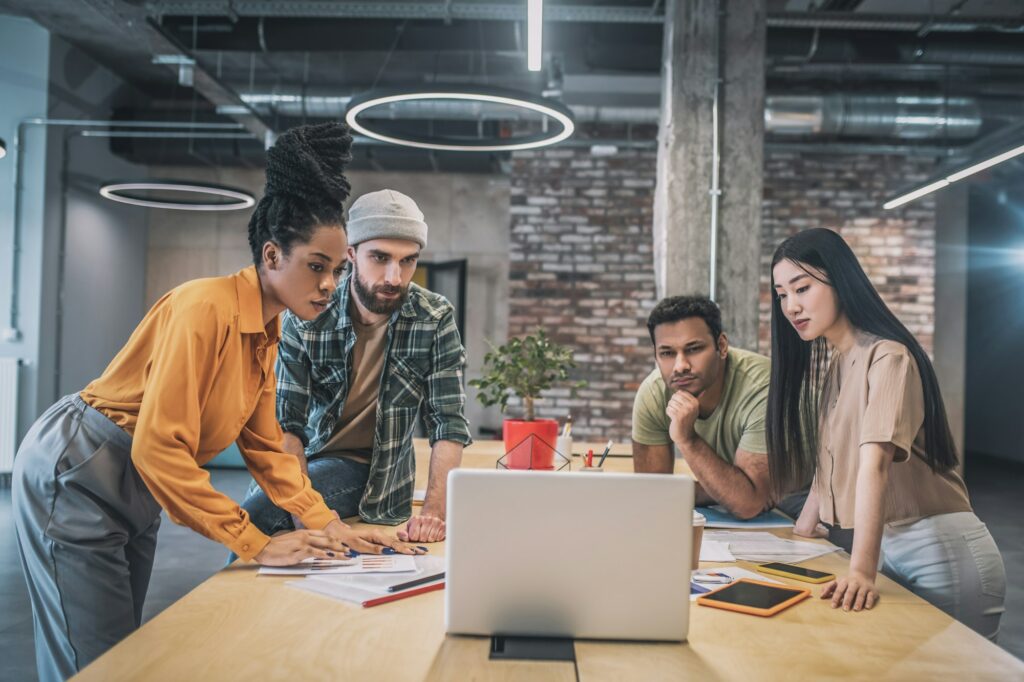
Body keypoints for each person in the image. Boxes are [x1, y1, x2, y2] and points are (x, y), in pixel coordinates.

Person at [12, 123, 418, 682]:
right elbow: (159, 448)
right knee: (93, 663)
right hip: (85, 465)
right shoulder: (205, 307)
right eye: (316, 267)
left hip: (138, 483)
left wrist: (328, 524)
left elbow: (266, 447)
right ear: (272, 255)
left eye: (337, 270)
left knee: (123, 652)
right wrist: (257, 543)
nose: (329, 285)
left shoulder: (267, 330)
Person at [767, 227, 1006, 639]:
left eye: (802, 288)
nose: (791, 306)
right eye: (782, 294)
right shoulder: (839, 367)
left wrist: (860, 571)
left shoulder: (889, 357)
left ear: (840, 280)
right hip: (889, 548)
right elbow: (829, 470)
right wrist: (799, 534)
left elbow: (872, 465)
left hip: (940, 551)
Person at [239, 189, 472, 544]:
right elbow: (285, 424)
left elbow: (448, 422)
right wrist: (308, 511)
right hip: (304, 456)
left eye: (407, 261)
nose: (394, 276)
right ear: (350, 254)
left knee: (259, 516)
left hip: (375, 470)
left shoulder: (434, 317)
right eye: (380, 257)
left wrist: (434, 512)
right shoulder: (306, 315)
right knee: (260, 514)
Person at [632, 296, 807, 520]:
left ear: (722, 346)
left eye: (694, 349)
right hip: (751, 508)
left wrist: (687, 440)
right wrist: (727, 490)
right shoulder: (654, 393)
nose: (680, 366)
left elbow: (747, 505)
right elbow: (653, 493)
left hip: (809, 502)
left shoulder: (764, 388)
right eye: (667, 353)